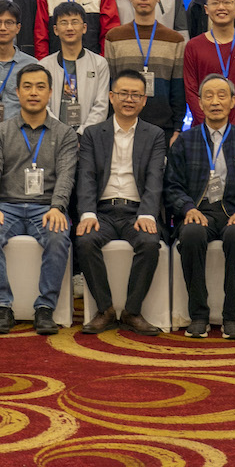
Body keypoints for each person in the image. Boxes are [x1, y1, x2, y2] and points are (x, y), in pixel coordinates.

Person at [0, 64, 78, 335]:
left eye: (40, 87)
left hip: (46, 207)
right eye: (28, 87)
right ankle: (2, 306)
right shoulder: (0, 131)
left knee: (58, 236)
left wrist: (58, 206)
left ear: (50, 92)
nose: (34, 92)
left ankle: (45, 308)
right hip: (6, 206)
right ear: (17, 92)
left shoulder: (65, 134)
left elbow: (66, 174)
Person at [165, 74, 235, 339]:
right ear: (199, 103)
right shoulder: (185, 141)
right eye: (208, 96)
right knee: (191, 234)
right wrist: (188, 208)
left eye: (222, 95)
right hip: (198, 211)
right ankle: (198, 315)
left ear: (233, 101)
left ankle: (232, 315)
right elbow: (172, 185)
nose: (215, 102)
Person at [73, 70, 169, 335]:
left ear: (144, 100)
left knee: (149, 243)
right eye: (123, 93)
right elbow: (86, 177)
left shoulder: (154, 134)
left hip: (136, 212)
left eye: (136, 95)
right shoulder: (93, 133)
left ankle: (132, 311)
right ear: (111, 97)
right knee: (85, 240)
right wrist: (88, 213)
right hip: (102, 211)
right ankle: (105, 310)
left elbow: (155, 178)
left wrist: (147, 214)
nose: (129, 99)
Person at [103, 0, 186, 138]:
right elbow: (109, 84)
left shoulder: (175, 40)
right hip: (121, 126)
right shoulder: (114, 37)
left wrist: (177, 128)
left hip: (163, 127)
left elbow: (178, 89)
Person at [183, 0, 235, 128]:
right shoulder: (193, 46)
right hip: (201, 130)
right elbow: (191, 91)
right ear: (206, 9)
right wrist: (208, 125)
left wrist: (234, 128)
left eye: (226, 2)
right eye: (215, 3)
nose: (221, 7)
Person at [0, 2, 39, 148]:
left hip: (20, 146)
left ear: (18, 28)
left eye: (9, 23)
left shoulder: (32, 65)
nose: (3, 28)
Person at [39, 2, 110, 131]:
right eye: (64, 23)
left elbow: (101, 106)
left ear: (84, 28)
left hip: (88, 137)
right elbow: (43, 105)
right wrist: (60, 133)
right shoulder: (44, 66)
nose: (69, 28)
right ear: (55, 30)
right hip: (53, 135)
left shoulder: (99, 64)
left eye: (75, 22)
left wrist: (83, 134)